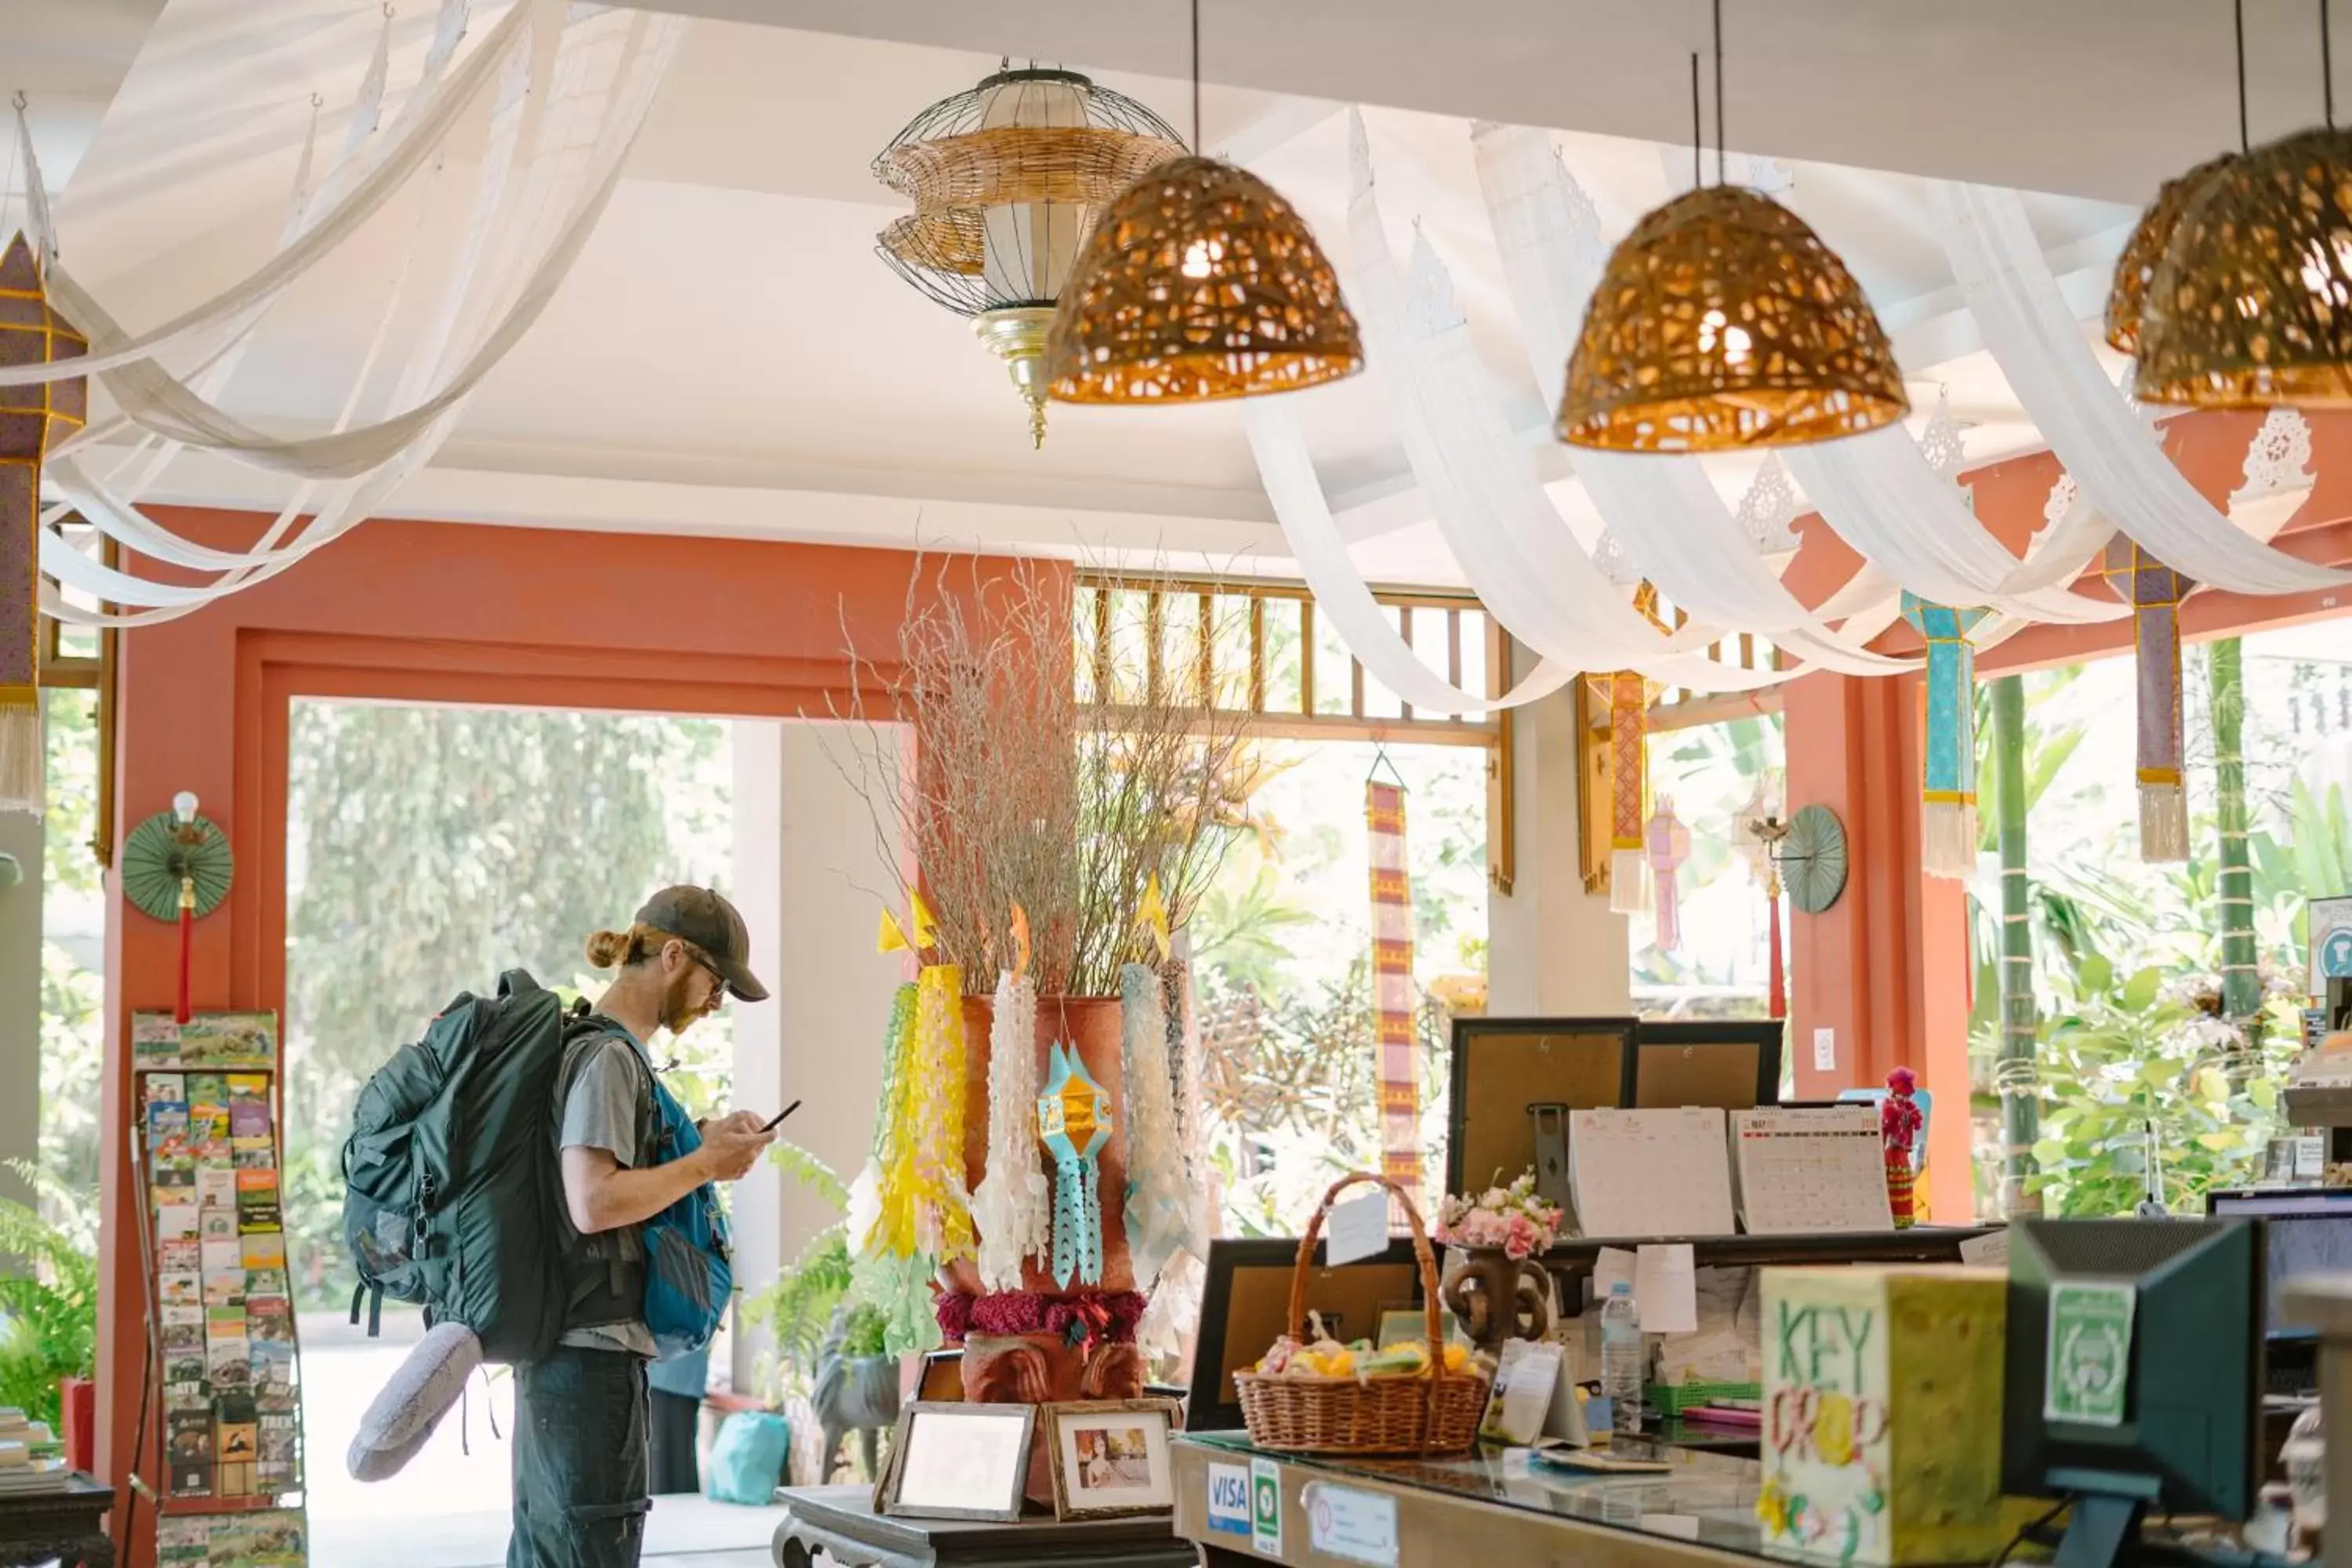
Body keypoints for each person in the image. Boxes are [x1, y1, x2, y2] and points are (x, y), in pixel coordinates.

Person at [509, 886, 776, 1568]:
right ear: (676, 956)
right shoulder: (608, 1059)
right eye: (716, 983)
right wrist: (704, 1165)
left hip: (569, 1354)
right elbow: (592, 1201)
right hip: (589, 1358)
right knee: (590, 1549)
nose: (716, 1001)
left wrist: (705, 1144)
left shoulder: (595, 1050)